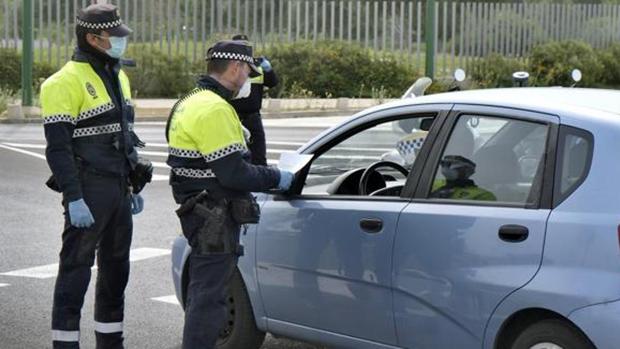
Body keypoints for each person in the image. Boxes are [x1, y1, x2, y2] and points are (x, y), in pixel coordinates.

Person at [165, 40, 294, 349]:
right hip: (214, 214)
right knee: (210, 302)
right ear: (235, 68)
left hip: (199, 210)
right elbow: (234, 173)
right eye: (248, 72)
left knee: (203, 296)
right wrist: (279, 177)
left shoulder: (191, 100)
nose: (248, 79)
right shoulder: (214, 108)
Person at [41, 4, 152, 348]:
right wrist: (73, 197)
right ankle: (65, 343)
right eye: (114, 38)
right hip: (87, 189)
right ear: (92, 38)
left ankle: (110, 342)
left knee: (116, 272)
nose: (121, 43)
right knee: (75, 271)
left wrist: (132, 183)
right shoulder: (62, 82)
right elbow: (58, 149)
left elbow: (125, 135)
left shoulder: (119, 76)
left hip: (118, 188)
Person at [229, 34, 279, 166]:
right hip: (232, 118)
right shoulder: (226, 66)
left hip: (252, 118)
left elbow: (272, 82)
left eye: (245, 46)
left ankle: (260, 184)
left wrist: (268, 70)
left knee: (258, 158)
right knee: (234, 157)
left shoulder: (258, 66)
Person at [430, 155, 496, 201]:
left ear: (466, 170)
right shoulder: (432, 183)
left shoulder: (483, 195)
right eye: (443, 164)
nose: (445, 168)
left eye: (450, 165)